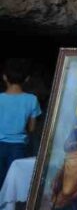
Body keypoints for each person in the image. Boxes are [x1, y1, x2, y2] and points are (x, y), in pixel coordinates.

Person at [0, 61, 40, 192]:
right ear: (27, 79)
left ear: (4, 77)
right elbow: (32, 128)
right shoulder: (32, 99)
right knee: (11, 185)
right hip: (19, 147)